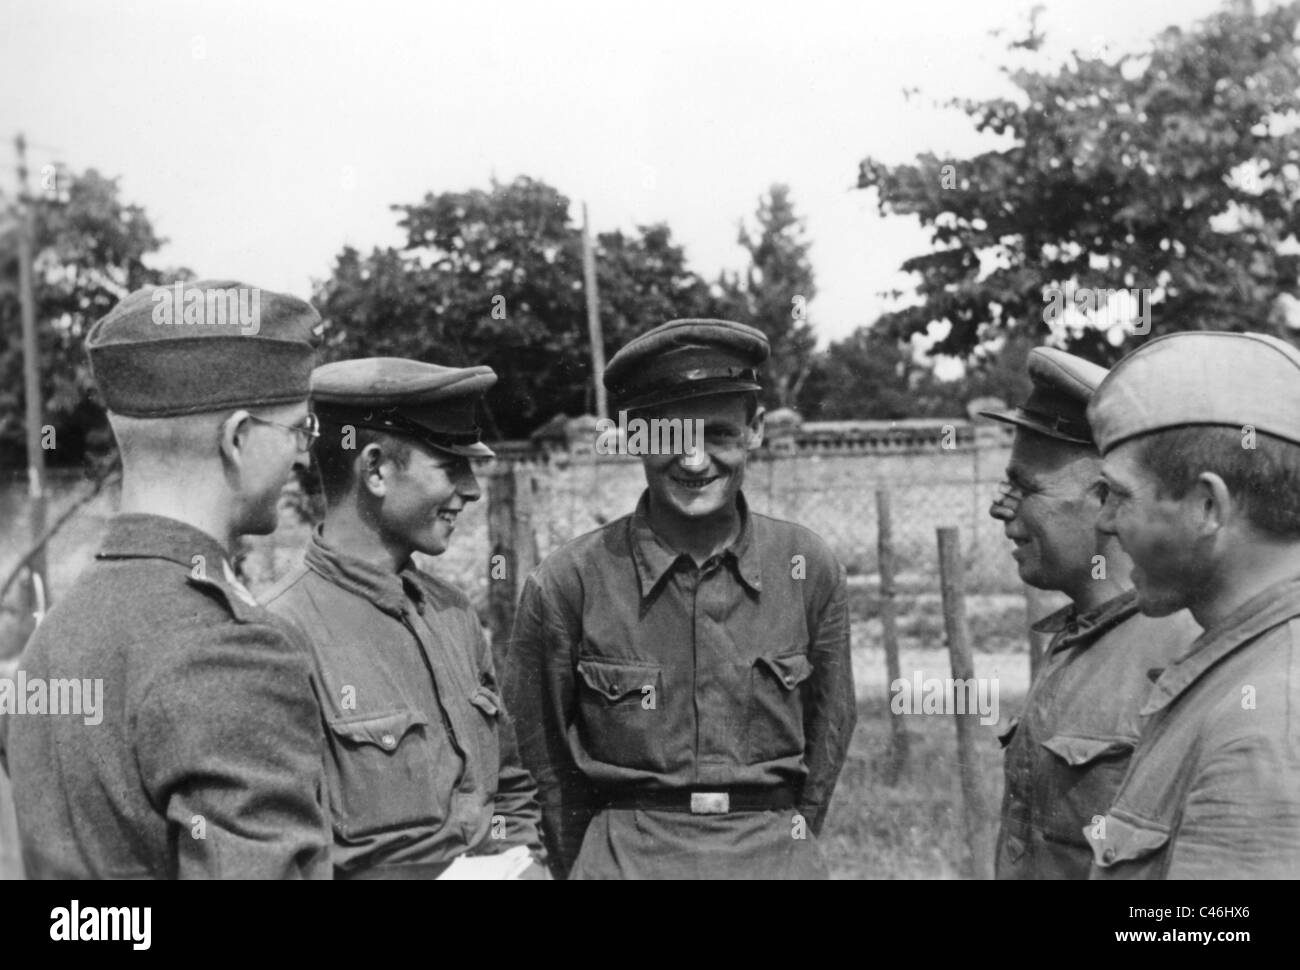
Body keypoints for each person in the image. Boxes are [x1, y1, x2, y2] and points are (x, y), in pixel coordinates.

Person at [0, 279, 331, 878]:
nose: (305, 457)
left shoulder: (51, 643)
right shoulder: (229, 653)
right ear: (237, 439)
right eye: (299, 431)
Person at [505, 318, 856, 879]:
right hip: (625, 860)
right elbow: (538, 753)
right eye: (670, 438)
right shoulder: (570, 580)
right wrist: (588, 863)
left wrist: (787, 842)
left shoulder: (806, 567)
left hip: (772, 855)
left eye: (718, 434)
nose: (695, 462)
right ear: (635, 438)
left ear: (756, 429)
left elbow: (831, 728)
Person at [260, 357, 544, 879]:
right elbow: (281, 856)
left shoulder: (453, 613)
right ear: (374, 470)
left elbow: (509, 789)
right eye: (450, 464)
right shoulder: (275, 636)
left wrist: (529, 866)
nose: (473, 488)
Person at [1085, 331, 1300, 878]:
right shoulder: (1250, 667)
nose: (1103, 521)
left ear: (1208, 507)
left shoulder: (1269, 725)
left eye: (1118, 494)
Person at [983, 347, 1199, 879]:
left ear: (1105, 501)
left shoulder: (1189, 650)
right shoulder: (1081, 636)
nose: (999, 506)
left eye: (1025, 486)